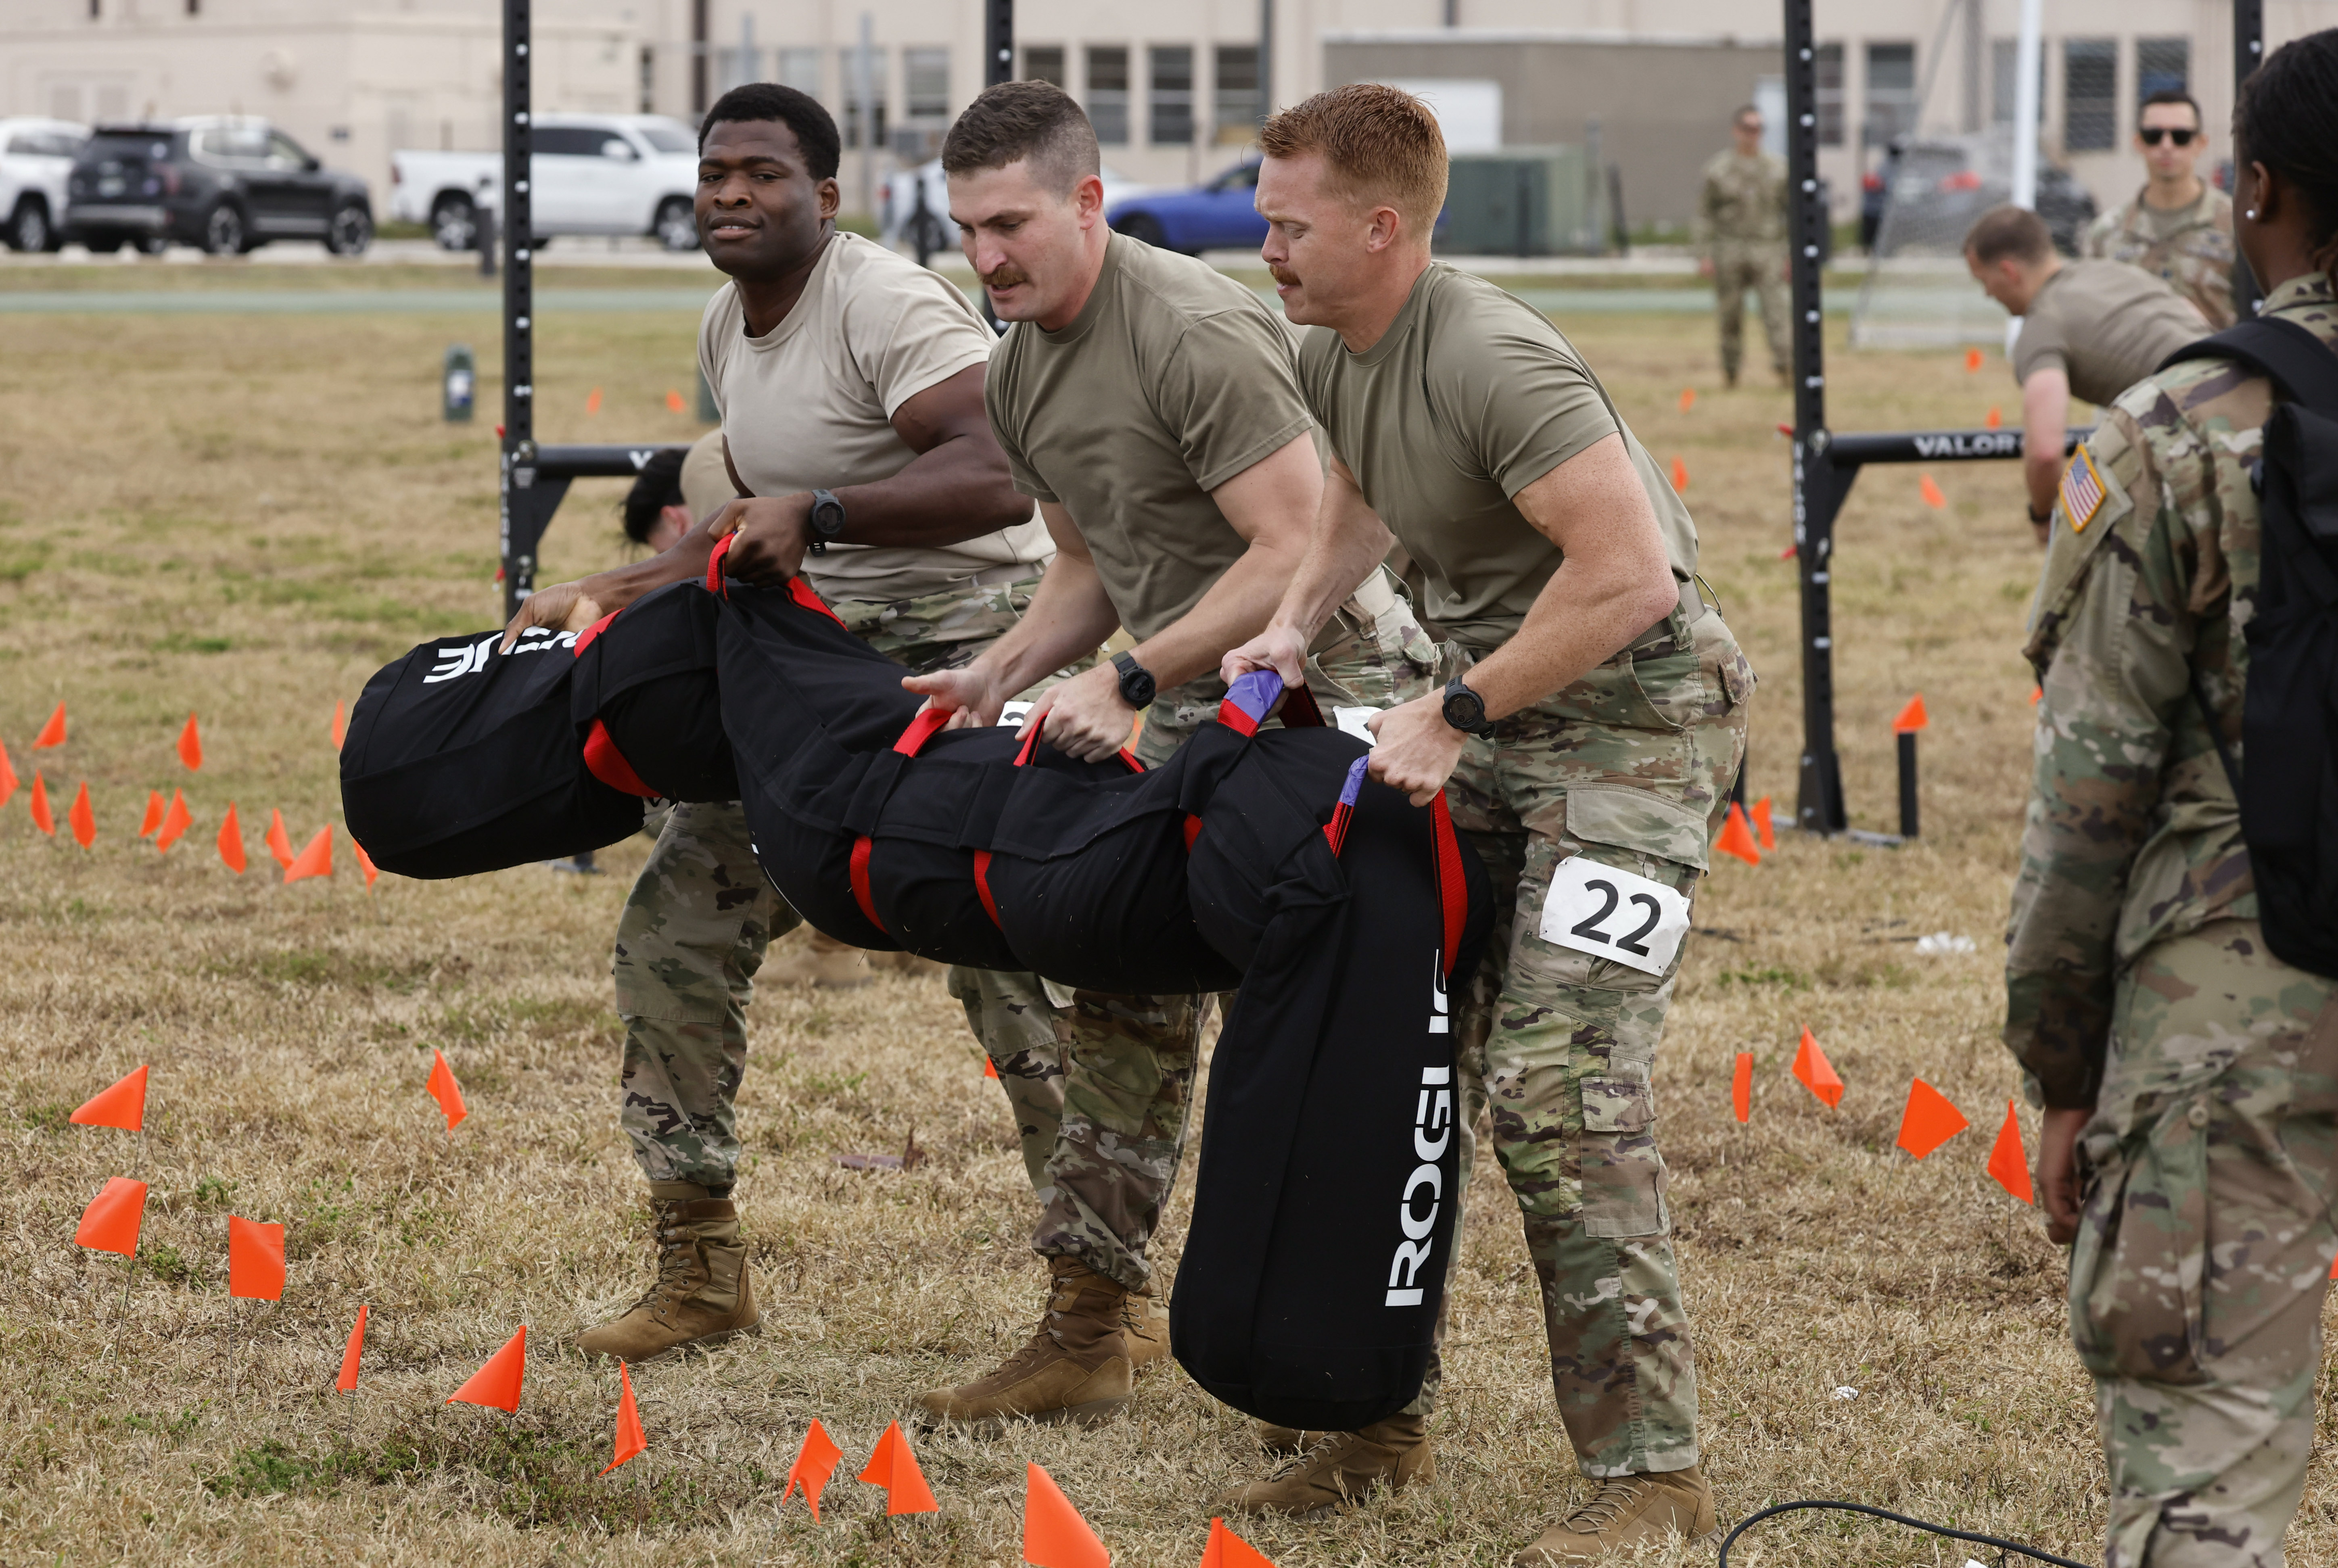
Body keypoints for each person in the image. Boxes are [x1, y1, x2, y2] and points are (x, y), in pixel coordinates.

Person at [499, 84, 1167, 1377]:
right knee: (673, 934)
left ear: (824, 196)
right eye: (712, 175)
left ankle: (1095, 1307)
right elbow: (747, 514)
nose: (729, 195)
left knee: (1004, 956)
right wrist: (610, 588)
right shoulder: (723, 323)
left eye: (760, 173)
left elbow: (996, 467)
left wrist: (826, 514)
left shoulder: (881, 302)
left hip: (958, 654)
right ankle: (698, 1265)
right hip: (810, 663)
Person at [1224, 84, 1753, 1564]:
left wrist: (1449, 715)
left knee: (1555, 1085)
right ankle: (1374, 1418)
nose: (1263, 247)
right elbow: (1353, 491)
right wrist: (1288, 624)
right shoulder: (1335, 347)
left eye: (1287, 224)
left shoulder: (1495, 356)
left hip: (1636, 730)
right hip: (1497, 717)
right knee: (1396, 1058)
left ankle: (1651, 1479)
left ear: (1378, 226)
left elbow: (1630, 577)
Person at [907, 79, 1438, 1432]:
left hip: (1326, 693)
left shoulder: (1192, 330)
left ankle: (1351, 1383)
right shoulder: (1019, 360)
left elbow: (1283, 554)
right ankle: (1089, 1326)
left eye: (1011, 223)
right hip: (1193, 705)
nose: (987, 257)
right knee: (1121, 992)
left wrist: (1131, 675)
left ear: (1088, 201)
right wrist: (1002, 669)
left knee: (1326, 1030)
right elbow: (1091, 566)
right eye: (965, 229)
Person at [2007, 29, 2338, 1567]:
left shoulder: (2173, 434)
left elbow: (2084, 803)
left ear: (2249, 188)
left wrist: (2059, 1070)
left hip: (2236, 1005)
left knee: (2202, 1474)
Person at [1964, 205, 2208, 544]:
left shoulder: (2041, 326)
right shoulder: (2108, 270)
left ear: (2008, 271)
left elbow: (2046, 450)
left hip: (2201, 431)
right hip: (2242, 384)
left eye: (1983, 280)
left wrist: (2042, 515)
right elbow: (2187, 312)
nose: (1987, 293)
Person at [2082, 88, 2238, 329]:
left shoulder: (2235, 226)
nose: (2166, 146)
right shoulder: (2106, 234)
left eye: (2181, 136)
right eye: (2154, 136)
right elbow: (2088, 316)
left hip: (2216, 363)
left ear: (2201, 143)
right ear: (2138, 143)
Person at [1693, 104, 1788, 389]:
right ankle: (1730, 373)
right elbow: (1703, 214)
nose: (1752, 135)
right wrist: (1703, 254)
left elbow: (1792, 213)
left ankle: (1786, 369)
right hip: (1729, 248)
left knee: (1776, 313)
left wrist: (1790, 255)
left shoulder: (1778, 169)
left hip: (1767, 248)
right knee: (1730, 315)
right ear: (1736, 131)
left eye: (1757, 129)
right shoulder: (1717, 169)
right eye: (1747, 129)